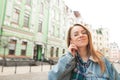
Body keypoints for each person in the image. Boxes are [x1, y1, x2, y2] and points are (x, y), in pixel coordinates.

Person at [48, 24, 120, 80]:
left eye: (84, 33)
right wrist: (69, 56)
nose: (81, 35)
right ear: (71, 40)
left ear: (88, 37)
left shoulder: (102, 60)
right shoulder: (67, 60)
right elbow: (52, 77)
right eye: (76, 34)